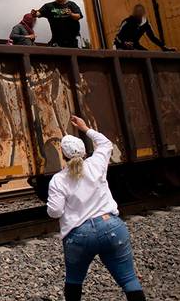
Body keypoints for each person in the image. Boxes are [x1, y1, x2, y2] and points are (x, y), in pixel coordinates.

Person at [47, 115, 145, 301]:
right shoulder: (97, 164)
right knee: (129, 279)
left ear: (63, 155)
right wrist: (85, 128)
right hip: (111, 227)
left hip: (80, 236)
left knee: (74, 281)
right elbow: (106, 143)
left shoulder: (58, 180)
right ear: (84, 152)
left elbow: (55, 212)